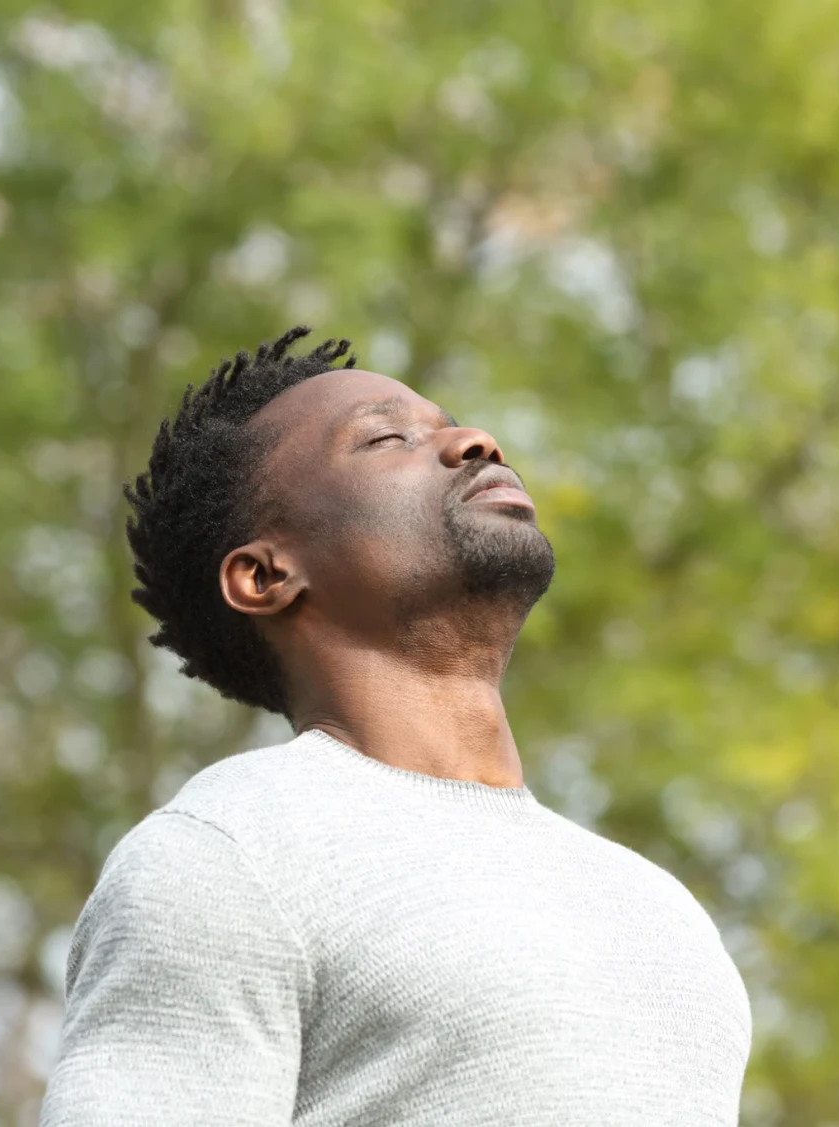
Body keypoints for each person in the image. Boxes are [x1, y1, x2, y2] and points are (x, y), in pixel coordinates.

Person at [39, 327, 754, 1126]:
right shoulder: (228, 854)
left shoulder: (655, 905)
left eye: (454, 423)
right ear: (266, 574)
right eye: (387, 438)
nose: (473, 442)